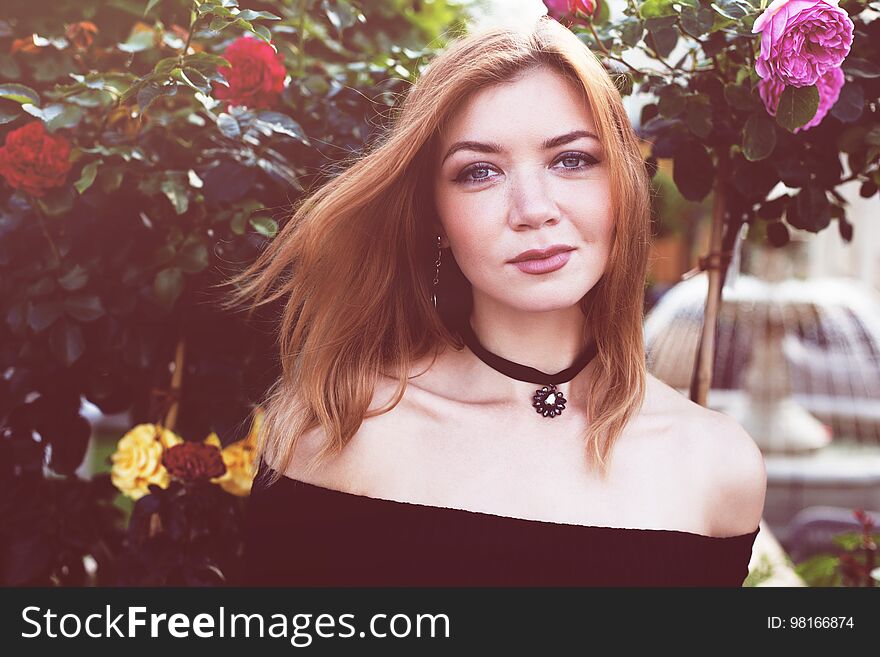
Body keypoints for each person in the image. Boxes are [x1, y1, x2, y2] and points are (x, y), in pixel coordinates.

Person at [221, 15, 766, 587]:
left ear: (623, 186)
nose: (533, 208)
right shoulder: (337, 428)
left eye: (572, 159)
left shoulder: (717, 465)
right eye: (479, 172)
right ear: (435, 214)